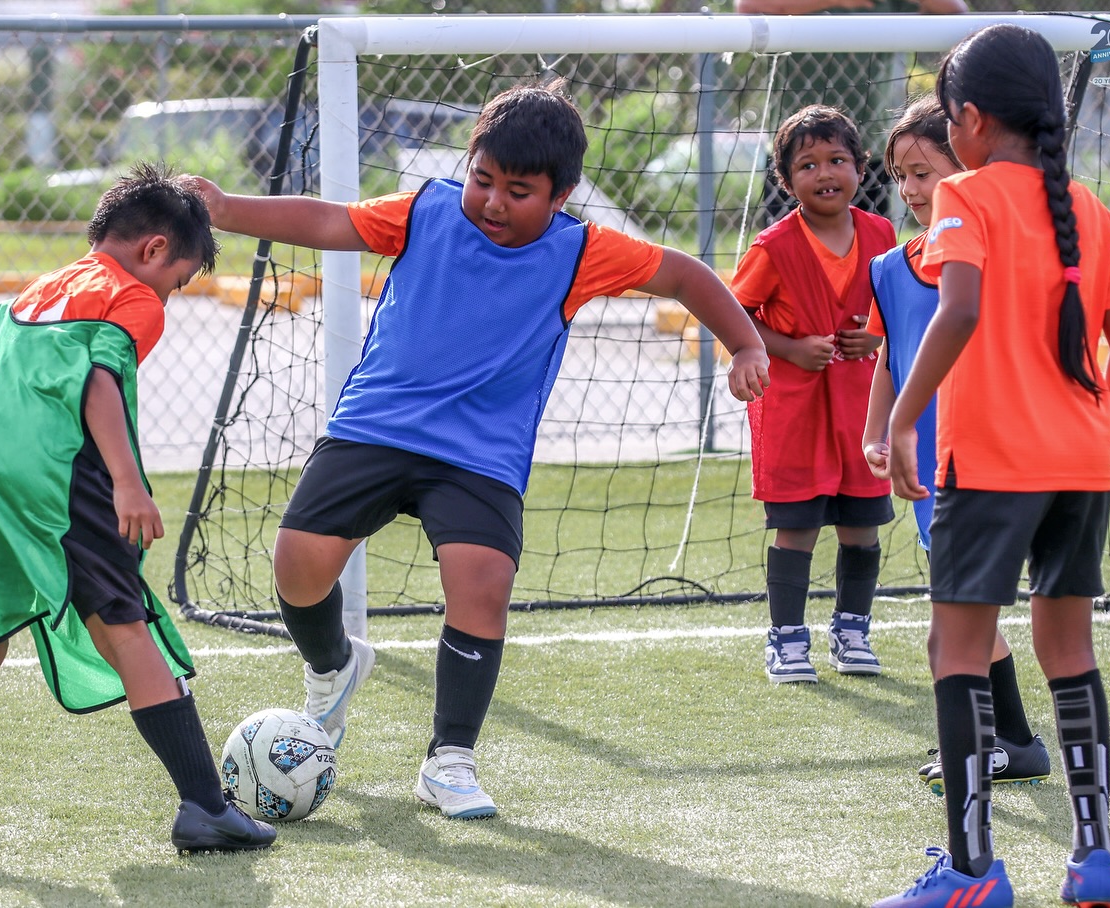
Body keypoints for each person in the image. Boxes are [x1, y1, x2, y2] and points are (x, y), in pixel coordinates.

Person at [190, 81, 770, 820]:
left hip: (480, 451)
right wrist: (230, 209)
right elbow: (331, 219)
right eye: (484, 181)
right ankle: (333, 667)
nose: (493, 202)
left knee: (483, 582)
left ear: (559, 197)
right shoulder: (426, 209)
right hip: (376, 423)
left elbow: (685, 273)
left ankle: (449, 759)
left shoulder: (583, 251)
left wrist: (746, 343)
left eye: (518, 191)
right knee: (297, 568)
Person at [0, 163, 275, 854]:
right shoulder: (132, 295)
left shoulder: (28, 296)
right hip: (57, 481)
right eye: (182, 278)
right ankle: (203, 806)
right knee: (124, 624)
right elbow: (100, 382)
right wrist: (128, 482)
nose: (174, 293)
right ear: (156, 250)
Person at [873, 25, 1110, 908]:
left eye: (949, 119)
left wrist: (905, 420)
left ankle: (971, 872)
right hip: (1079, 462)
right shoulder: (1088, 209)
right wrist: (1097, 429)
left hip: (991, 463)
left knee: (953, 648)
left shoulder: (966, 193)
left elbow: (956, 310)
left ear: (974, 121)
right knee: (1070, 648)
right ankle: (1094, 859)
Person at [862, 95, 1050, 795]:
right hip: (921, 461)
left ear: (966, 167)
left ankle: (981, 746)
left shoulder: (986, 259)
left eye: (924, 172)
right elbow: (891, 356)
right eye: (900, 175)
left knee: (959, 616)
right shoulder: (888, 268)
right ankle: (1017, 744)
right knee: (961, 610)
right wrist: (876, 431)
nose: (910, 189)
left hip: (986, 458)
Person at [731, 104, 894, 683]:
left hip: (860, 410)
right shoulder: (772, 247)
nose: (824, 173)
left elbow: (893, 309)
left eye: (837, 160)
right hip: (793, 412)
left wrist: (876, 331)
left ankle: (852, 630)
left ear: (860, 165)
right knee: (796, 524)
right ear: (786, 178)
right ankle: (786, 638)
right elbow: (733, 314)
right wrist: (789, 347)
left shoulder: (882, 234)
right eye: (807, 165)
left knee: (861, 525)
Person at [734, 0, 968, 223]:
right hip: (797, 147)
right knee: (790, 250)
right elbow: (746, 6)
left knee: (868, 249)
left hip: (867, 150)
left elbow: (955, 11)